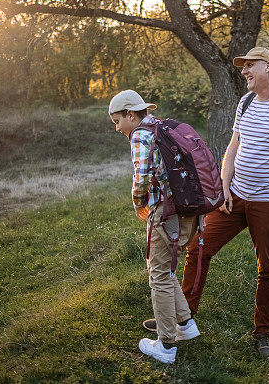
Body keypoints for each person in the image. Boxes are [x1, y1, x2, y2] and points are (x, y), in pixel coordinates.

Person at [181, 46, 269, 359]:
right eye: (242, 67)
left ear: (268, 67)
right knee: (199, 248)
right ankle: (183, 318)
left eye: (249, 66)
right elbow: (233, 147)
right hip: (235, 197)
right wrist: (223, 187)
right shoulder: (245, 102)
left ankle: (263, 334)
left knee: (268, 269)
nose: (243, 71)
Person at [109, 89, 200, 364]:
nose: (117, 128)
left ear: (130, 114)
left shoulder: (139, 134)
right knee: (166, 269)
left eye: (117, 121)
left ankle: (166, 345)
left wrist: (139, 204)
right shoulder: (160, 126)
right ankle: (185, 325)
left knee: (158, 275)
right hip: (186, 208)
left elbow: (141, 177)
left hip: (165, 210)